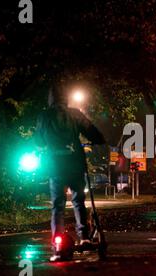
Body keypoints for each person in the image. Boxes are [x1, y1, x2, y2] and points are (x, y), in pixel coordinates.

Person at [35, 81, 105, 262]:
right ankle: (84, 237)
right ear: (65, 98)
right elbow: (93, 133)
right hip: (75, 163)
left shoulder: (44, 116)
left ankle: (57, 241)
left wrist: (47, 143)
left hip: (55, 166)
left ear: (50, 99)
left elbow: (39, 141)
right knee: (78, 200)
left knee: (57, 205)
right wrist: (97, 140)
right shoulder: (74, 114)